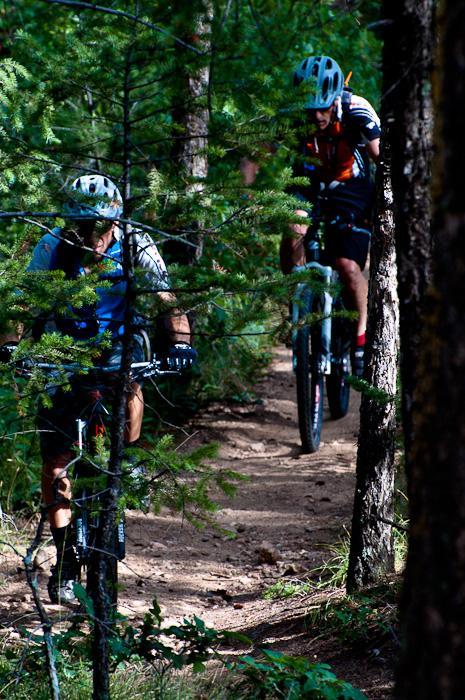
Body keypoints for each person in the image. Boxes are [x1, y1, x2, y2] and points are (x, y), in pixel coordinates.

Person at [0, 174, 196, 603]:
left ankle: (130, 455)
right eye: (81, 226)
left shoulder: (134, 243)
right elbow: (23, 300)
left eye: (99, 227)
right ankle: (66, 556)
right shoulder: (51, 245)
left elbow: (167, 299)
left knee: (135, 370)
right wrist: (11, 343)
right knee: (56, 462)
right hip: (62, 352)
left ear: (114, 221)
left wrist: (180, 342)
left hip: (117, 352)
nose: (90, 237)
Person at [241, 55, 380, 375]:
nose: (316, 116)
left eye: (323, 108)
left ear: (335, 99)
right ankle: (298, 313)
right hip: (308, 185)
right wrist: (246, 196)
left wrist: (385, 206)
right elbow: (253, 157)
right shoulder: (292, 114)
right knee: (293, 231)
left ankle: (361, 337)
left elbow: (381, 158)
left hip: (351, 189)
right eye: (310, 108)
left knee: (347, 266)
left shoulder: (356, 109)